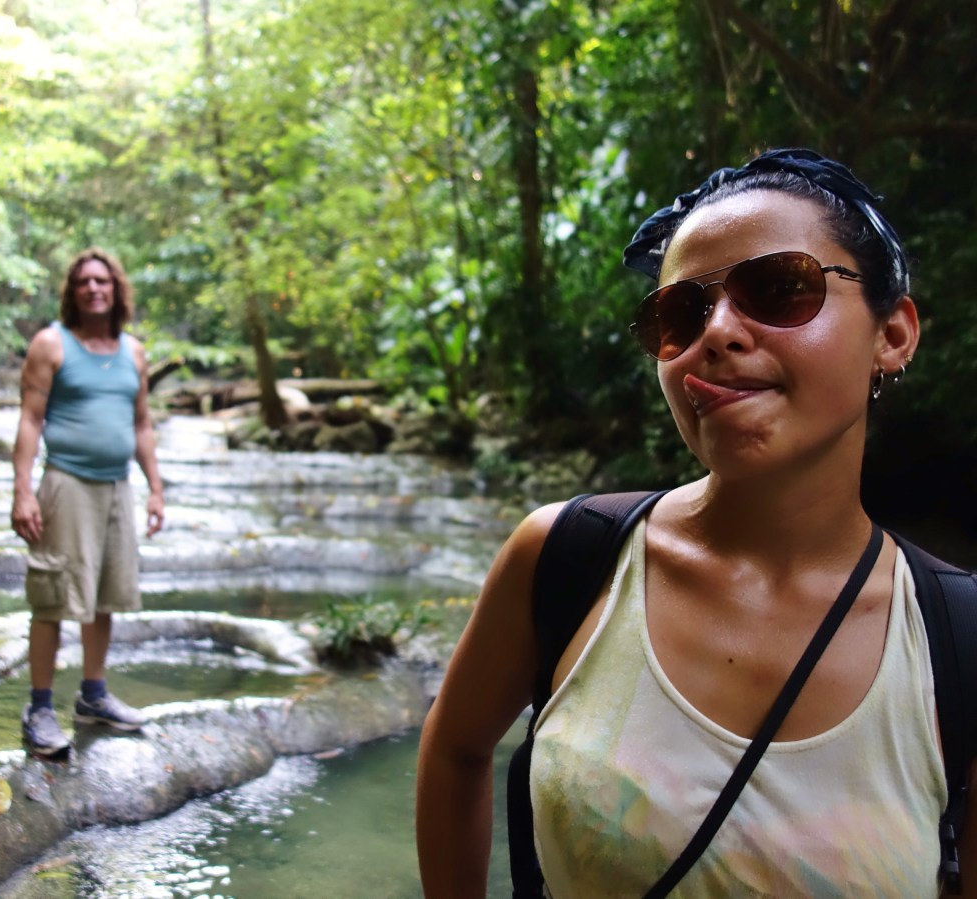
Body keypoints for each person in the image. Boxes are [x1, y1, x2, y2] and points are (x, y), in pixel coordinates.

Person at [416, 149, 977, 897]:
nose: (716, 333)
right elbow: (455, 751)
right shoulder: (568, 557)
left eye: (780, 288)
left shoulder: (957, 642)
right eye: (679, 313)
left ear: (893, 334)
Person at [11, 247, 165, 758]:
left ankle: (93, 697)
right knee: (54, 598)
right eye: (84, 282)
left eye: (103, 281)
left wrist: (156, 489)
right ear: (73, 292)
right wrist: (23, 490)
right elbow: (31, 421)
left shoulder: (134, 352)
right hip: (67, 485)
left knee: (105, 597)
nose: (94, 289)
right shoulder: (51, 345)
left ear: (116, 290)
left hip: (118, 487)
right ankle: (39, 709)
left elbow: (142, 425)